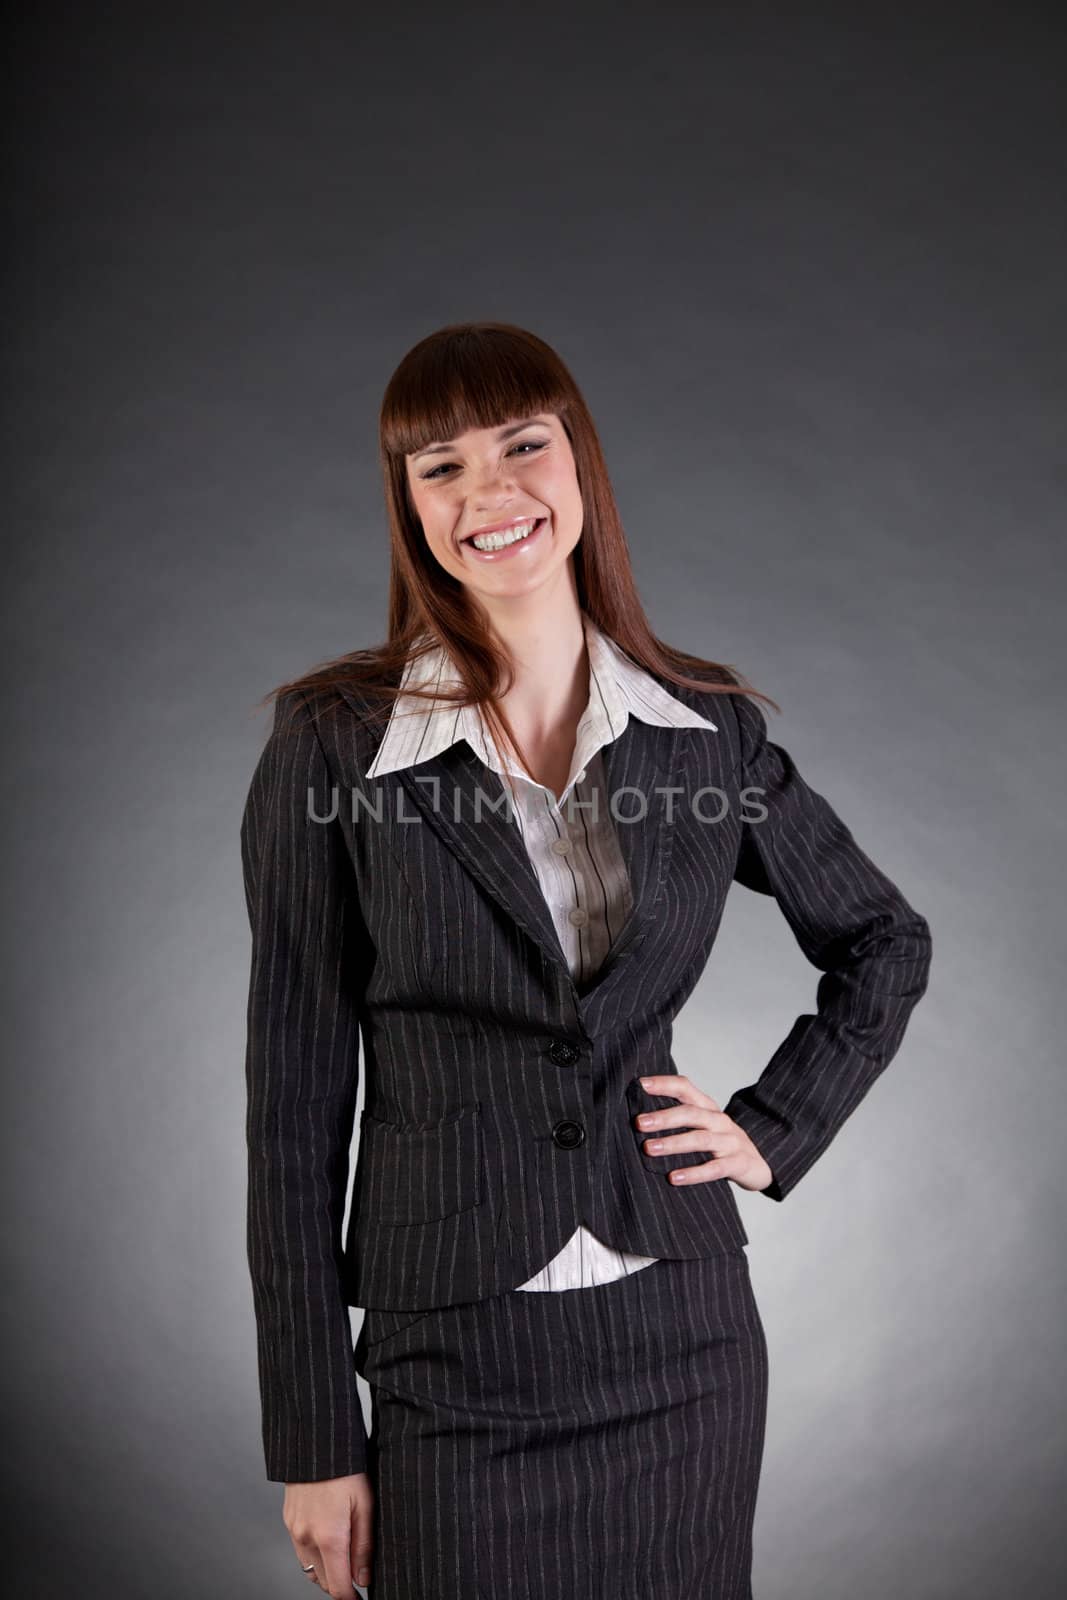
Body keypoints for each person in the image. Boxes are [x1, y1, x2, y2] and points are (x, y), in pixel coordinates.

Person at [240, 320, 933, 1598]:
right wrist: (312, 1438)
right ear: (406, 503)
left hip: (680, 1335)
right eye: (437, 466)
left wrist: (770, 1130)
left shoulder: (704, 735)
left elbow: (882, 938)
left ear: (580, 467)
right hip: (453, 1349)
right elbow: (290, 1111)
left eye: (520, 445)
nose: (486, 493)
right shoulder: (332, 747)